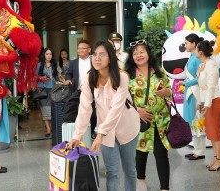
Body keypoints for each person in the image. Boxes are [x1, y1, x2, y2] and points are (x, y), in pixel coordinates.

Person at [66, 40, 140, 191]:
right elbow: (84, 108)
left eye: (102, 55)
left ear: (110, 57)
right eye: (94, 55)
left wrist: (100, 133)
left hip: (127, 128)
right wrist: (77, 135)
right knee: (112, 173)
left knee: (130, 171)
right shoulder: (89, 78)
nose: (97, 59)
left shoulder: (122, 77)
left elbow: (116, 109)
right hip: (105, 133)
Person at [126, 40, 172, 191]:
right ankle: (140, 181)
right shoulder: (128, 76)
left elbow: (169, 91)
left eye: (142, 52)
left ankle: (164, 188)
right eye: (135, 53)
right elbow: (124, 99)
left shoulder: (159, 71)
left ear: (148, 53)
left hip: (160, 120)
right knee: (140, 152)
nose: (139, 55)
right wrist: (138, 111)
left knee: (161, 154)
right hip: (139, 120)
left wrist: (167, 92)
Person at [195, 40, 220, 171]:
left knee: (216, 132)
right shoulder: (204, 64)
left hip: (214, 101)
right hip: (208, 102)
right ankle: (216, 157)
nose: (195, 51)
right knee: (211, 132)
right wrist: (199, 102)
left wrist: (206, 105)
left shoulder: (211, 65)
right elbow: (201, 85)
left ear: (200, 52)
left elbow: (211, 87)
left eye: (196, 49)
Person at [179, 34, 205, 160]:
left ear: (194, 44)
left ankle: (200, 151)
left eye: (187, 43)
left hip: (195, 93)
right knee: (191, 121)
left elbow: (200, 77)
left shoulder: (197, 58)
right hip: (189, 92)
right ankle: (196, 149)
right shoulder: (192, 57)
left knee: (197, 120)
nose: (185, 45)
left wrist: (186, 83)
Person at [64, 40, 97, 138]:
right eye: (78, 48)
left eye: (83, 48)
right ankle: (80, 132)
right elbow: (68, 73)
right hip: (78, 91)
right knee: (80, 111)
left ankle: (92, 130)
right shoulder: (73, 62)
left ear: (89, 49)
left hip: (93, 91)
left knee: (93, 112)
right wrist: (68, 79)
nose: (80, 50)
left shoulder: (94, 61)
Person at [37, 48, 59, 137]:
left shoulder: (54, 64)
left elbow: (56, 76)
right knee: (45, 109)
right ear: (44, 55)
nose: (49, 56)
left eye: (50, 54)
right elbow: (35, 77)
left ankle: (51, 127)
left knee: (52, 109)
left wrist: (60, 80)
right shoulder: (39, 65)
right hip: (43, 90)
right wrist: (42, 78)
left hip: (53, 89)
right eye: (47, 54)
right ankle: (48, 129)